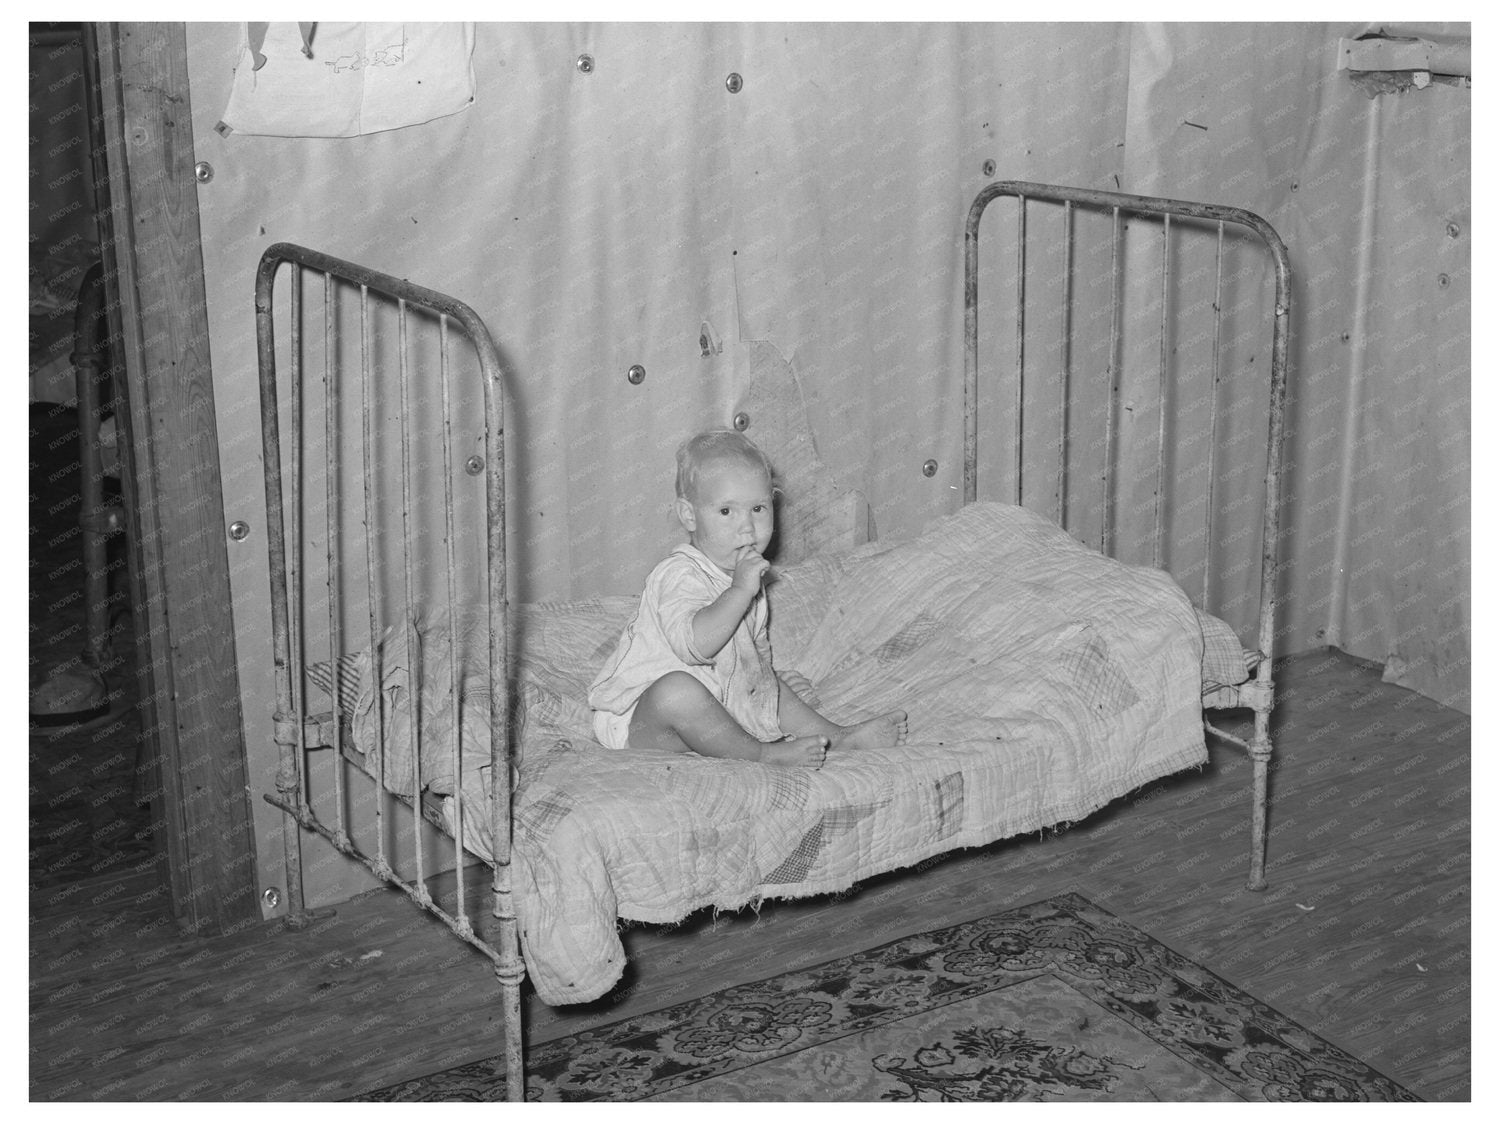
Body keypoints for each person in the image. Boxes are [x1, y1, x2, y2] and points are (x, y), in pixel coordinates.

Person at [588, 430, 908, 767]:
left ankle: (840, 738)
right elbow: (695, 645)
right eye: (727, 512)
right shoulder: (678, 574)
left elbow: (752, 649)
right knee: (677, 690)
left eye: (757, 508)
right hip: (643, 720)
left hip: (717, 704)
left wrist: (768, 678)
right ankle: (763, 754)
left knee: (771, 686)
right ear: (689, 515)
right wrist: (739, 592)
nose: (747, 527)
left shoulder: (748, 576)